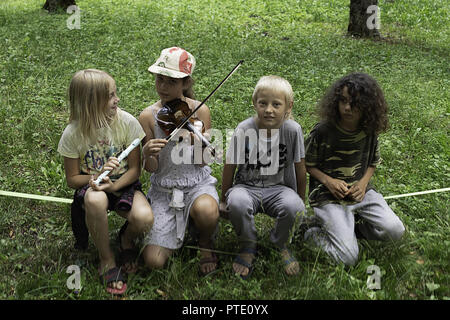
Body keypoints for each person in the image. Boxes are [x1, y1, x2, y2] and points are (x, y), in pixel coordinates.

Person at [58, 69, 154, 295]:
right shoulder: (73, 133)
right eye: (111, 96)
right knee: (95, 199)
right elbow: (72, 179)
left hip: (124, 184)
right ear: (92, 103)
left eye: (115, 93)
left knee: (145, 218)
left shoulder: (127, 122)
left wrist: (115, 185)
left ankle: (126, 239)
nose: (117, 99)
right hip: (93, 186)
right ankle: (107, 259)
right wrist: (97, 175)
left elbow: (134, 170)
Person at [303, 72, 405, 266]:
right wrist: (328, 181)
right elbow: (307, 164)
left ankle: (352, 230)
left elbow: (373, 162)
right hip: (328, 196)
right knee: (348, 259)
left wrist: (364, 183)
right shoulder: (323, 131)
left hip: (361, 192)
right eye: (343, 101)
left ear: (368, 106)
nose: (347, 108)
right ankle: (311, 233)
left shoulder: (369, 130)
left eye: (354, 103)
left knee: (395, 230)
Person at [139, 47, 220, 276]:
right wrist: (149, 154)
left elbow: (205, 161)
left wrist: (196, 141)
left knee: (207, 211)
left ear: (185, 83)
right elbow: (150, 169)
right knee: (153, 261)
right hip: (165, 190)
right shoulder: (147, 116)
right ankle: (181, 229)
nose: (163, 87)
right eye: (160, 80)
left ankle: (204, 242)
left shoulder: (200, 111)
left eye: (171, 82)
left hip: (196, 184)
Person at [221, 75, 307, 278]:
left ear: (289, 106)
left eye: (276, 104)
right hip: (246, 187)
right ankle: (248, 245)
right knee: (239, 202)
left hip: (279, 189)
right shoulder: (244, 129)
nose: (269, 109)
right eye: (263, 103)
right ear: (254, 103)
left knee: (293, 206)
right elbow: (230, 165)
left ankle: (280, 242)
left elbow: (300, 168)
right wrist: (223, 198)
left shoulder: (293, 130)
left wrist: (301, 200)